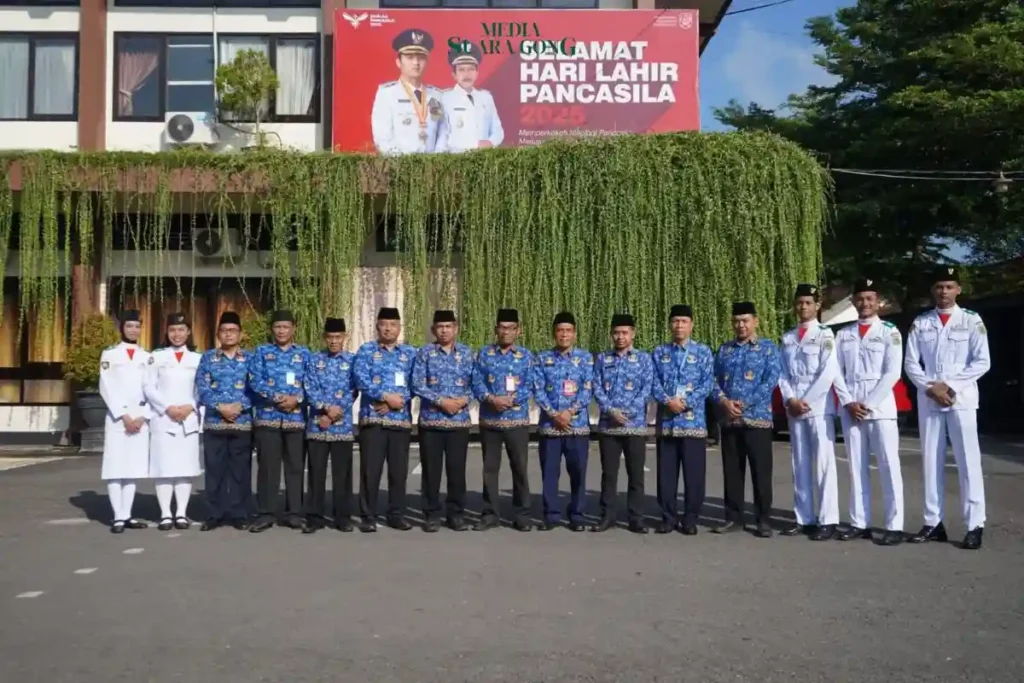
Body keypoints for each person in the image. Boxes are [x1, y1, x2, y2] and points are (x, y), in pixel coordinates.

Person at [904, 266, 991, 550]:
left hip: (961, 399)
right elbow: (911, 363)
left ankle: (974, 524)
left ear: (958, 289)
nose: (944, 292)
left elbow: (982, 361)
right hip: (929, 399)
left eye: (949, 286)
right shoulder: (922, 322)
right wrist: (931, 388)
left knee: (968, 462)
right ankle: (933, 522)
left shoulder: (971, 320)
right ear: (933, 290)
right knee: (930, 460)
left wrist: (950, 386)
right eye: (939, 287)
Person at [832, 278, 904, 545]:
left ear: (878, 302)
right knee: (856, 467)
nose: (865, 303)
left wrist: (869, 403)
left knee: (888, 466)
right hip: (850, 408)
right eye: (860, 299)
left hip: (880, 407)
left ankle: (894, 525)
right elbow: (836, 372)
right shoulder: (843, 334)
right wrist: (849, 402)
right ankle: (858, 522)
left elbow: (892, 372)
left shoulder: (889, 332)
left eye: (870, 299)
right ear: (853, 302)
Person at [777, 284, 841, 541]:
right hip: (795, 406)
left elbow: (829, 372)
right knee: (800, 463)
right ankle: (805, 517)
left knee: (824, 464)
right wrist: (791, 399)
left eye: (808, 303)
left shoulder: (826, 335)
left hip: (819, 407)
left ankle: (829, 519)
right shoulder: (788, 337)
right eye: (799, 303)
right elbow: (782, 372)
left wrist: (807, 401)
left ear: (817, 306)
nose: (803, 307)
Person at [713, 301, 781, 538]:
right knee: (732, 472)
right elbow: (713, 381)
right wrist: (724, 402)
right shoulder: (724, 350)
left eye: (745, 320)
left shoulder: (768, 349)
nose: (740, 325)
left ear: (755, 321)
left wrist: (746, 403)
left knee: (760, 472)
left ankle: (763, 519)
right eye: (736, 321)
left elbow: (770, 380)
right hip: (730, 419)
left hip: (757, 420)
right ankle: (733, 517)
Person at [651, 304, 716, 535]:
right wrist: (668, 401)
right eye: (675, 321)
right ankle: (668, 517)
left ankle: (690, 519)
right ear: (670, 324)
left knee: (694, 475)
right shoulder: (659, 352)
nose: (679, 325)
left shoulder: (703, 352)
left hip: (693, 423)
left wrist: (686, 402)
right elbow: (653, 381)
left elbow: (708, 383)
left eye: (684, 321)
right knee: (666, 475)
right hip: (667, 423)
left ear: (691, 325)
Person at [352, 307, 417, 532]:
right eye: (384, 324)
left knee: (398, 472)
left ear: (400, 327)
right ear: (377, 326)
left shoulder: (410, 353)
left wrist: (396, 401)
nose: (388, 328)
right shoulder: (366, 350)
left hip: (400, 420)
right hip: (373, 420)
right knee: (371, 470)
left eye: (393, 324)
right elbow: (360, 378)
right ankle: (368, 516)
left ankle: (396, 514)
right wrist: (385, 397)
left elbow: (416, 382)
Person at [471, 308, 534, 532]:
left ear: (518, 331)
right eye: (502, 327)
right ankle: (490, 513)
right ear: (496, 329)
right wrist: (491, 399)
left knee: (519, 468)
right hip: (490, 421)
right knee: (490, 468)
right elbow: (476, 382)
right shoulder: (484, 353)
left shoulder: (526, 356)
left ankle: (522, 514)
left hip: (517, 420)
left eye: (511, 328)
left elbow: (530, 384)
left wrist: (511, 399)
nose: (506, 332)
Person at [246, 310, 310, 533]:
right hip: (268, 418)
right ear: (271, 329)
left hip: (295, 419)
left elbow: (311, 381)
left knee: (295, 468)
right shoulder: (262, 352)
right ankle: (266, 513)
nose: (281, 331)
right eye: (277, 327)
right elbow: (255, 380)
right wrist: (277, 398)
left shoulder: (304, 354)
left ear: (293, 329)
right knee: (268, 468)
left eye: (286, 327)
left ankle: (294, 513)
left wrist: (297, 398)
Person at [412, 310, 475, 532]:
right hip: (431, 421)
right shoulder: (425, 353)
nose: (444, 330)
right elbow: (417, 384)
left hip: (459, 422)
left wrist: (461, 401)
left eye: (448, 326)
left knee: (457, 470)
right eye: (440, 326)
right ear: (433, 330)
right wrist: (441, 401)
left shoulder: (467, 353)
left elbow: (474, 384)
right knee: (431, 470)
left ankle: (456, 514)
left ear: (456, 328)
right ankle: (431, 514)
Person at [531, 312, 595, 532]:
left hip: (577, 426)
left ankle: (577, 513)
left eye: (568, 331)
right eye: (560, 330)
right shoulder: (542, 358)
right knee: (549, 472)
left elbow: (588, 389)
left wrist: (569, 412)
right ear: (554, 333)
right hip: (550, 427)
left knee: (578, 471)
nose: (564, 335)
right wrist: (553, 414)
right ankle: (551, 514)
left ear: (574, 333)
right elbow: (537, 389)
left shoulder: (585, 358)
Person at [592, 313, 653, 534]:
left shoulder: (644, 359)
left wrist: (627, 411)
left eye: (624, 333)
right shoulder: (602, 359)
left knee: (635, 474)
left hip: (634, 424)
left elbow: (647, 387)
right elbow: (596, 386)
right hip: (609, 425)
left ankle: (636, 518)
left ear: (633, 334)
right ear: (611, 335)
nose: (620, 337)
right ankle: (607, 516)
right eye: (616, 333)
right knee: (609, 474)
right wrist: (611, 410)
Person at [144, 313, 203, 531]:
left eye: (181, 330)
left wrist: (190, 406)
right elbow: (148, 386)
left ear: (188, 332)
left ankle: (181, 513)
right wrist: (167, 407)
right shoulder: (156, 357)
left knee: (184, 468)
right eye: (172, 330)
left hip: (188, 418)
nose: (177, 334)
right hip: (163, 417)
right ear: (166, 332)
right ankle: (165, 513)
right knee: (164, 468)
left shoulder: (197, 359)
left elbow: (202, 389)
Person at [195, 311, 253, 531]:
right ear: (218, 333)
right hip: (214, 422)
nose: (228, 335)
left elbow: (256, 388)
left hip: (242, 421)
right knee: (215, 470)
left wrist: (239, 407)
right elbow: (202, 387)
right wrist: (220, 407)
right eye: (224, 330)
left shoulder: (250, 359)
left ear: (240, 334)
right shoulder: (208, 358)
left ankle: (239, 513)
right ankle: (214, 513)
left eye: (233, 330)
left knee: (240, 470)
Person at [302, 317, 358, 534]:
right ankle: (314, 517)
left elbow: (354, 390)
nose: (334, 341)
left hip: (341, 426)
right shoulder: (314, 360)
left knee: (342, 474)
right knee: (316, 473)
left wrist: (334, 414)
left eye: (338, 337)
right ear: (324, 338)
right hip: (318, 425)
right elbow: (309, 387)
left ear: (344, 337)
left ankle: (342, 517)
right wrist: (325, 408)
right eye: (330, 337)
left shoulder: (352, 361)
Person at [98, 309, 152, 534]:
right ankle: (117, 517)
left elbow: (153, 388)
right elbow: (106, 386)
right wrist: (123, 415)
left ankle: (127, 514)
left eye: (137, 326)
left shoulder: (147, 356)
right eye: (129, 326)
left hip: (140, 418)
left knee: (132, 468)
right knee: (114, 467)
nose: (134, 330)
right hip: (118, 418)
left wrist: (142, 415)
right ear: (122, 328)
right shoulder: (110, 354)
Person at [371, 28, 449, 155]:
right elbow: (383, 140)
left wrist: (436, 160)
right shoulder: (387, 95)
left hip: (432, 168)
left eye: (421, 58)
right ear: (398, 62)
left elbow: (442, 131)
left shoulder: (435, 96)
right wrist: (406, 167)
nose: (416, 63)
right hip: (399, 169)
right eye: (410, 57)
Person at [441, 42, 504, 153]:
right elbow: (441, 137)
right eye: (461, 70)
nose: (467, 74)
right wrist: (475, 145)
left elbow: (498, 130)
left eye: (471, 69)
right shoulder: (444, 99)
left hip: (484, 159)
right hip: (456, 159)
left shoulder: (486, 97)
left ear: (477, 73)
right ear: (454, 75)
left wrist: (490, 143)